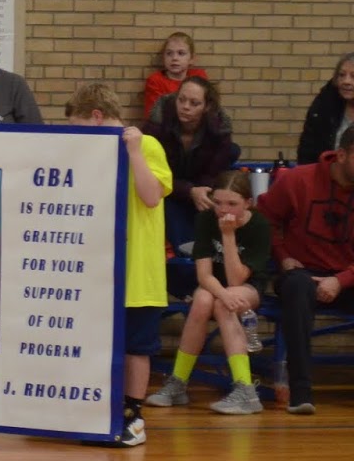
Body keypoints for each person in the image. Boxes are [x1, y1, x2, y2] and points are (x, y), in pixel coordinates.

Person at [64, 82, 172, 447]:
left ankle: (134, 415)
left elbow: (151, 196)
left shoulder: (147, 145)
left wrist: (136, 153)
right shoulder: (92, 154)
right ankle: (100, 413)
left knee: (136, 347)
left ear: (96, 117)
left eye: (79, 127)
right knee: (99, 343)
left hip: (139, 270)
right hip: (98, 269)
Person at [146, 170, 270, 415]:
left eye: (232, 204)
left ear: (248, 203)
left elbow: (237, 278)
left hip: (248, 287)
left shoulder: (259, 225)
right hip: (214, 286)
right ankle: (178, 383)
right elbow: (204, 275)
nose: (224, 210)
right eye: (219, 203)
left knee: (222, 304)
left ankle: (245, 390)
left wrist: (228, 235)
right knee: (203, 299)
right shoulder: (205, 219)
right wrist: (222, 294)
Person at [256, 125, 354, 414]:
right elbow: (264, 220)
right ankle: (301, 392)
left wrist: (340, 280)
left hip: (347, 276)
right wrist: (283, 256)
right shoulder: (299, 180)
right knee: (297, 288)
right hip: (302, 271)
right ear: (341, 155)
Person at [141, 76, 238, 253]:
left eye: (194, 103)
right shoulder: (158, 122)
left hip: (203, 187)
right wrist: (188, 191)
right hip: (168, 189)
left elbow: (213, 173)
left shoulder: (219, 129)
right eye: (181, 100)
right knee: (182, 240)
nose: (185, 107)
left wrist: (203, 190)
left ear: (207, 106)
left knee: (233, 151)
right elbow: (152, 171)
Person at [295, 51, 354, 164]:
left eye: (353, 76)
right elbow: (308, 150)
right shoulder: (325, 104)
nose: (346, 81)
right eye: (341, 75)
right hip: (327, 176)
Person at [142, 31, 207, 119]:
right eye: (169, 53)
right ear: (163, 57)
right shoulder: (155, 81)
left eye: (181, 53)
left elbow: (207, 109)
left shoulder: (198, 77)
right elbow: (153, 116)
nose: (174, 58)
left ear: (192, 58)